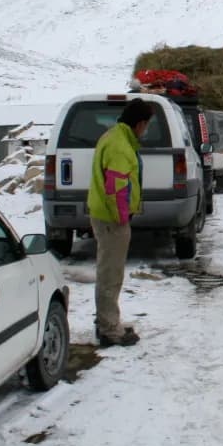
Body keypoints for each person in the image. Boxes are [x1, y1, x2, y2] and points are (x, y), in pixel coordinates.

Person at [87, 98, 153, 347]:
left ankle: (106, 320)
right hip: (111, 219)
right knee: (110, 274)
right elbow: (116, 187)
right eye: (146, 125)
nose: (145, 130)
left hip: (103, 215)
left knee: (108, 271)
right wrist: (122, 217)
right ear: (140, 123)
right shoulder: (120, 146)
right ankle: (108, 329)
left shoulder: (114, 137)